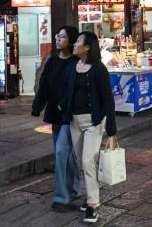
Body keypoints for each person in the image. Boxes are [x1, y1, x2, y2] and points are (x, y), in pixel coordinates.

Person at [62, 32, 116, 224]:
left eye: (78, 41)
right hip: (74, 121)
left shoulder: (99, 69)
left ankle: (93, 204)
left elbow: (107, 97)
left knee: (88, 162)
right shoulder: (71, 67)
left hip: (94, 121)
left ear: (87, 47)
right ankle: (89, 196)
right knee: (80, 163)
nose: (74, 43)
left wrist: (111, 123)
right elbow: (66, 91)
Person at [31, 26, 80, 212]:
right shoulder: (52, 62)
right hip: (54, 114)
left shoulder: (77, 62)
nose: (58, 39)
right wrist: (37, 106)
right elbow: (44, 86)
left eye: (62, 37)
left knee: (61, 152)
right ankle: (74, 188)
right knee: (66, 154)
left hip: (70, 115)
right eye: (57, 36)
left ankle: (62, 197)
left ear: (71, 40)